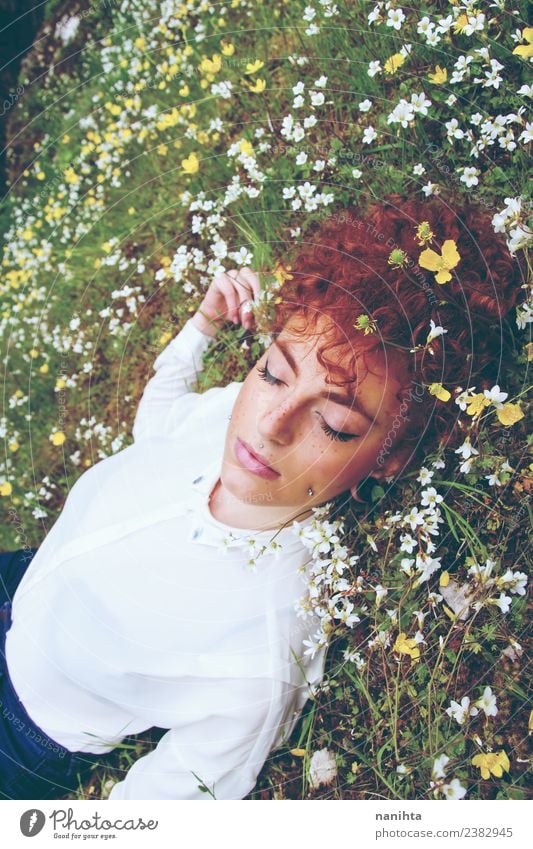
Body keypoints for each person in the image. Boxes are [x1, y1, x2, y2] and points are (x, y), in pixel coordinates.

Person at [0, 193, 523, 800]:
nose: (269, 423)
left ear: (393, 458)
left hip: (23, 721)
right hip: (22, 571)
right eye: (273, 372)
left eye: (334, 424)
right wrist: (201, 327)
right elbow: (158, 430)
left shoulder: (263, 649)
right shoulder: (227, 411)